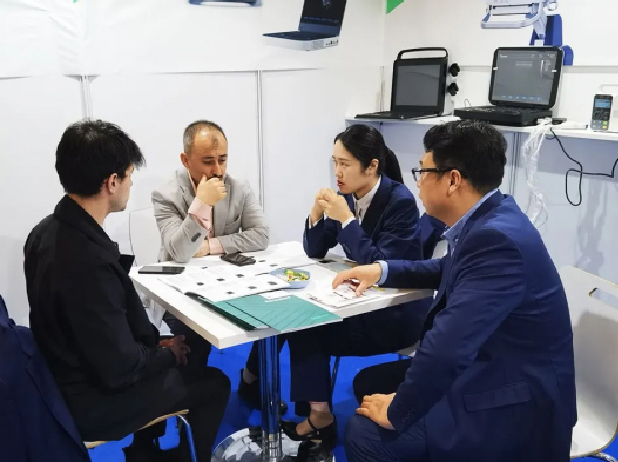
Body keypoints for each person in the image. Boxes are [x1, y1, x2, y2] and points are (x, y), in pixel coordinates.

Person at [335, 120, 576, 462]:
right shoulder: (492, 216)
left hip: (516, 401)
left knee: (366, 435)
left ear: (452, 180)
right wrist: (382, 270)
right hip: (495, 367)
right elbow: (446, 268)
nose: (418, 181)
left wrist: (398, 411)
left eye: (423, 171)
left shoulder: (496, 241)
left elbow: (447, 348)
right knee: (370, 384)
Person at [24, 120, 231, 462]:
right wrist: (166, 354)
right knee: (214, 384)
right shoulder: (86, 262)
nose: (131, 183)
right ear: (112, 182)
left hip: (60, 379)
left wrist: (156, 346)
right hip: (91, 400)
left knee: (181, 351)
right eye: (130, 175)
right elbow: (120, 368)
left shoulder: (45, 232)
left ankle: (146, 450)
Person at [281, 124, 430, 453]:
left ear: (372, 166)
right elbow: (315, 250)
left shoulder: (400, 202)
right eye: (334, 162)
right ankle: (317, 412)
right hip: (360, 304)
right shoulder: (348, 195)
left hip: (396, 315)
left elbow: (381, 266)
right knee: (297, 319)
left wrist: (347, 220)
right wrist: (316, 215)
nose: (337, 171)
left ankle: (319, 418)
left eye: (345, 164)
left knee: (307, 329)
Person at [151, 120, 285, 413]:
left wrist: (211, 246)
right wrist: (200, 204)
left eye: (222, 159)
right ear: (185, 160)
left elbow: (260, 235)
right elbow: (179, 251)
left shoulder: (239, 186)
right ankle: (190, 410)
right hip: (181, 291)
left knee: (280, 317)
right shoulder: (166, 194)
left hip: (230, 283)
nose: (217, 170)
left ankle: (251, 380)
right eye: (207, 161)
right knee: (195, 339)